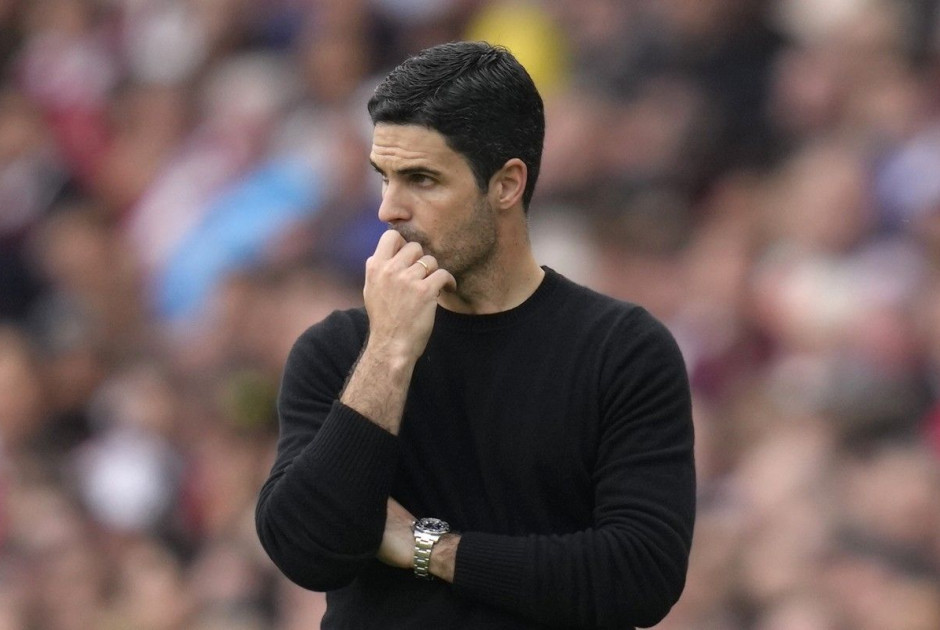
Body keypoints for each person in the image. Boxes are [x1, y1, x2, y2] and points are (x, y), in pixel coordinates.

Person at [255, 41, 696, 629]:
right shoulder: (339, 350)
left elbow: (640, 575)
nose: (389, 209)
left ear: (507, 185)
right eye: (384, 178)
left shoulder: (620, 350)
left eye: (422, 179)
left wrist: (426, 546)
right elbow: (307, 550)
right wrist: (388, 351)